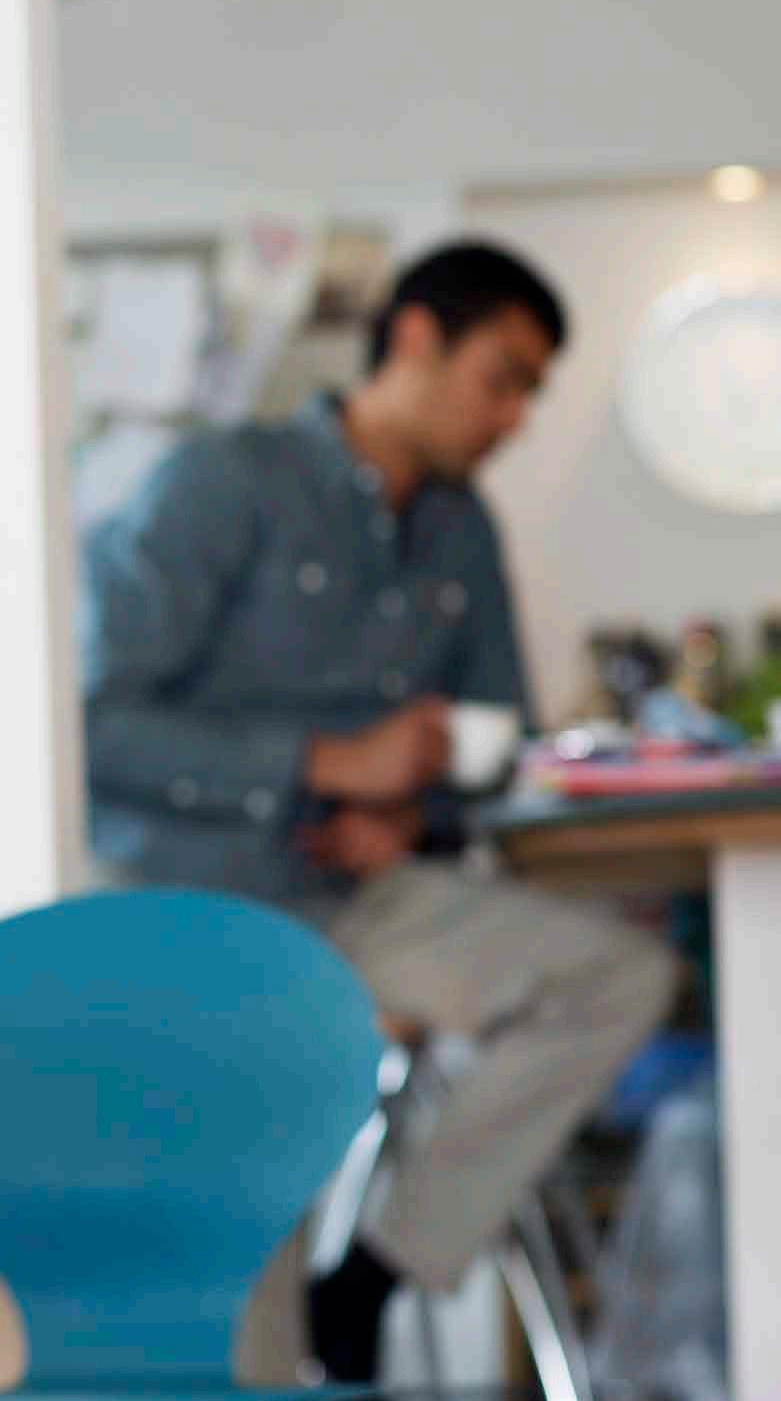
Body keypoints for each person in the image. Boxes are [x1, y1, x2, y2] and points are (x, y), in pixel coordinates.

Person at [81, 241, 679, 1382]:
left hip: (368, 895)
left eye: (530, 392)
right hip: (209, 910)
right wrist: (320, 763)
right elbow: (92, 723)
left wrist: (413, 816)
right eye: (502, 379)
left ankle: (378, 1272)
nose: (514, 417)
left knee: (615, 977)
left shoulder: (461, 529)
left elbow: (499, 742)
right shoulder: (223, 480)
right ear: (414, 339)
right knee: (252, 1225)